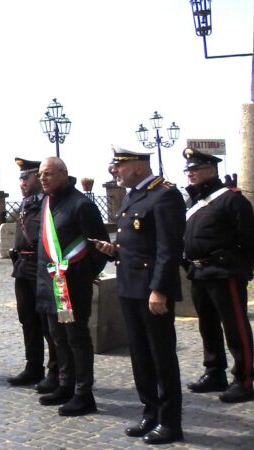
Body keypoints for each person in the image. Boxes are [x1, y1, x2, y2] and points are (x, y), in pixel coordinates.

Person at [94, 147, 185, 445]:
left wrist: (159, 289)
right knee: (140, 355)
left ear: (137, 166)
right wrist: (114, 250)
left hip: (150, 290)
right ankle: (150, 411)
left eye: (118, 167)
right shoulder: (133, 195)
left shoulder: (165, 195)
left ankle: (170, 422)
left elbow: (167, 249)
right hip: (129, 287)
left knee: (161, 356)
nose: (114, 172)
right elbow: (136, 243)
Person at [181, 147, 254, 403]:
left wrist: (240, 268)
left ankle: (244, 379)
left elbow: (252, 239)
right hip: (199, 271)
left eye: (196, 169)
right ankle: (215, 371)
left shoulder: (231, 198)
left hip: (224, 272)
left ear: (211, 170)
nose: (190, 174)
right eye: (189, 170)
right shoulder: (193, 201)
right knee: (208, 326)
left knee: (235, 327)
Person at [35, 157, 108, 416]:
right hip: (53, 286)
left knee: (76, 338)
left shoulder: (81, 205)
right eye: (41, 175)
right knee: (59, 337)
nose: (43, 178)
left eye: (49, 174)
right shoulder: (47, 202)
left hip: (72, 286)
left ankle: (83, 392)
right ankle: (65, 385)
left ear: (64, 174)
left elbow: (100, 247)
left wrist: (85, 274)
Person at [7, 158, 58, 391]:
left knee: (49, 324)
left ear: (37, 177)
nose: (22, 183)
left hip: (43, 269)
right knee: (28, 320)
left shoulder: (49, 203)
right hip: (23, 268)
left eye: (25, 177)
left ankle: (56, 371)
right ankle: (33, 366)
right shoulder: (26, 204)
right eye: (20, 178)